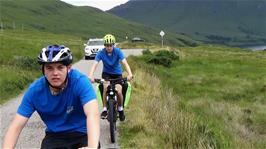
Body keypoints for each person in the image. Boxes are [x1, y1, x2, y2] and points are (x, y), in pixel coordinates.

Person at [2, 45, 100, 149]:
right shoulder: (35, 91)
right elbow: (15, 127)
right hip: (55, 137)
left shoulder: (80, 82)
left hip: (82, 133)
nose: (55, 73)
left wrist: (92, 147)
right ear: (43, 70)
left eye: (60, 67)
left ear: (69, 68)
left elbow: (93, 114)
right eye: (49, 68)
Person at [88, 34, 133, 121]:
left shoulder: (118, 51)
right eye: (107, 45)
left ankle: (120, 109)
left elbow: (125, 63)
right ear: (104, 46)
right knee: (105, 87)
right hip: (106, 74)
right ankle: (105, 109)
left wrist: (130, 74)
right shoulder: (101, 53)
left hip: (117, 74)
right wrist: (90, 75)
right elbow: (95, 65)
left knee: (119, 91)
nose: (109, 47)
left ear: (113, 45)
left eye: (110, 45)